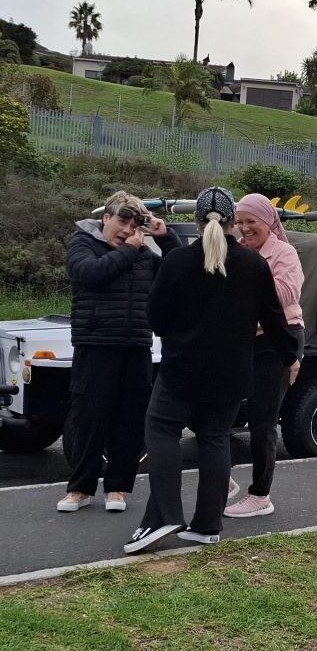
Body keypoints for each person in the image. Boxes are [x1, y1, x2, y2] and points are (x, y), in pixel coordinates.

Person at [125, 187, 300, 554]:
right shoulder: (254, 264)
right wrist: (290, 356)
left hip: (183, 368)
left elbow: (155, 317)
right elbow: (274, 318)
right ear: (233, 222)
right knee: (215, 439)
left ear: (196, 221)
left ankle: (165, 515)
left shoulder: (178, 261)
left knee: (161, 430)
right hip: (232, 372)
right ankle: (207, 525)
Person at [58, 191, 180, 514]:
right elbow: (89, 274)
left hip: (136, 345)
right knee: (89, 418)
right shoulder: (83, 243)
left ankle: (118, 488)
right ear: (106, 219)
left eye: (134, 226)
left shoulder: (144, 254)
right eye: (121, 222)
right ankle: (79, 489)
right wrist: (128, 251)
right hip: (95, 343)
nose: (127, 230)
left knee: (130, 420)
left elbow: (178, 273)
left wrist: (165, 238)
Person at [224, 193, 305, 519]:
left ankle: (260, 495)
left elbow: (286, 293)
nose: (244, 228)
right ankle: (222, 477)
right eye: (239, 222)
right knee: (216, 407)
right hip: (245, 340)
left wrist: (245, 285)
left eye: (251, 221)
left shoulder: (284, 253)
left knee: (262, 419)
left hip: (279, 339)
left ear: (269, 221)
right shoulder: (239, 251)